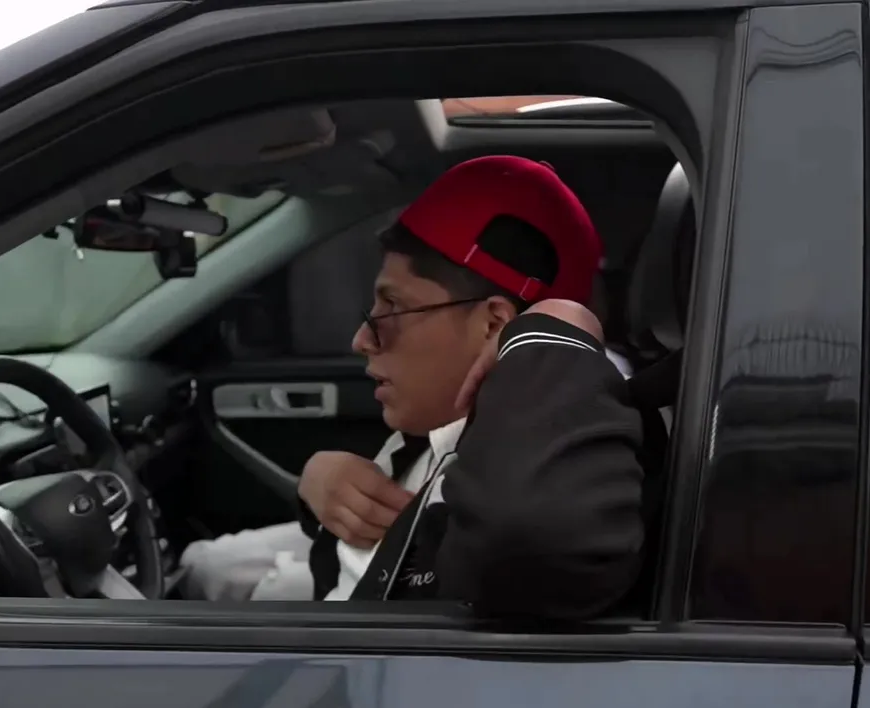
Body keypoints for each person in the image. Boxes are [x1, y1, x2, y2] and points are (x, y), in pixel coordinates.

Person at [180, 156, 644, 616]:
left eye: (394, 308)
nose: (361, 340)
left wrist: (552, 327)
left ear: (494, 324)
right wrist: (321, 489)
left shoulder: (563, 457)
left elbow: (531, 541)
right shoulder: (443, 424)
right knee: (206, 566)